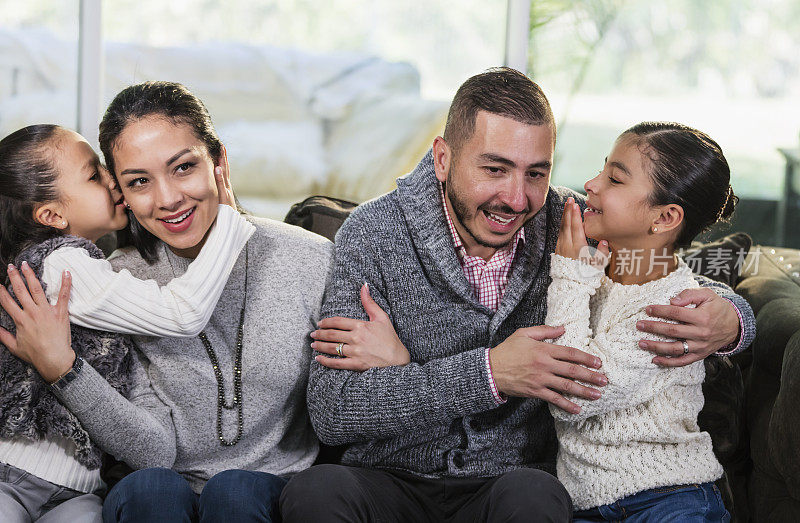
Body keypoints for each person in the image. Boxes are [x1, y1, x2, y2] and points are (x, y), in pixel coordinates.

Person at [280, 68, 755, 521]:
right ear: (443, 158)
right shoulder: (374, 234)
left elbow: (659, 270)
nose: (516, 199)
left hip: (509, 487)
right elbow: (333, 412)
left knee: (537, 496)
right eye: (495, 169)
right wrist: (490, 373)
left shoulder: (568, 224)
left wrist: (733, 318)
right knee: (315, 493)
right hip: (388, 479)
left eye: (535, 174)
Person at [1, 82, 333, 522]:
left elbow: (347, 407)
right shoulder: (117, 277)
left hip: (268, 488)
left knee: (234, 492)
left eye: (182, 168)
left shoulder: (310, 258)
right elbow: (152, 450)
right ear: (122, 191)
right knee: (150, 489)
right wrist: (64, 369)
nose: (168, 199)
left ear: (219, 162)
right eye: (138, 181)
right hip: (148, 487)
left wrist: (384, 354)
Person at [0, 124, 252, 522]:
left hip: (77, 492)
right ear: (52, 214)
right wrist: (228, 220)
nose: (113, 180)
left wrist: (63, 366)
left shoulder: (99, 273)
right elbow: (181, 313)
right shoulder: (62, 265)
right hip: (12, 475)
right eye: (94, 174)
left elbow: (154, 448)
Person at [546, 122, 734, 520]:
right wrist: (581, 273)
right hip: (585, 502)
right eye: (602, 170)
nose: (590, 184)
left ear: (664, 217)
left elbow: (570, 394)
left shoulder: (673, 310)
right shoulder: (598, 265)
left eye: (615, 179)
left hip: (669, 498)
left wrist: (569, 275)